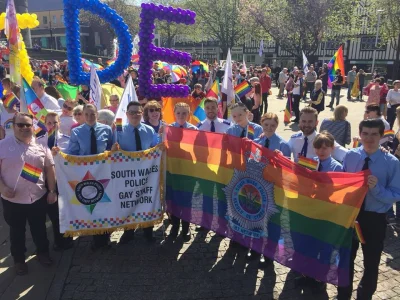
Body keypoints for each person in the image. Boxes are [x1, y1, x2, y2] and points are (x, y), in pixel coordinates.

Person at [336, 118, 400, 300]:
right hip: (350, 215)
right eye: (365, 133)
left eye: (374, 134)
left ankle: (364, 296)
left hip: (375, 219)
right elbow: (341, 182)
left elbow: (397, 194)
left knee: (371, 263)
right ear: (360, 134)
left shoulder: (392, 163)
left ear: (381, 136)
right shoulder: (351, 156)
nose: (369, 138)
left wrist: (377, 189)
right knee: (346, 260)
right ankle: (343, 294)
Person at [0, 112, 56, 275]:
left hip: (37, 197)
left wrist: (52, 191)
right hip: (13, 199)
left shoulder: (41, 146)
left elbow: (50, 170)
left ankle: (42, 253)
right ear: (13, 126)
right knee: (16, 231)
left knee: (39, 228)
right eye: (20, 125)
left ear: (33, 127)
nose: (24, 128)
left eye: (28, 125)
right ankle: (19, 260)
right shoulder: (2, 145)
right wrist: (2, 188)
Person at [64, 104, 113, 250]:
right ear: (83, 115)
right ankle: (93, 234)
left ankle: (103, 238)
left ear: (97, 114)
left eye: (93, 114)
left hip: (103, 173)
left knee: (104, 205)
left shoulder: (107, 130)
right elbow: (72, 153)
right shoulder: (76, 132)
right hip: (85, 174)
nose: (90, 117)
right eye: (87, 114)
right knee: (91, 203)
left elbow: (110, 149)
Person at [112, 102, 159, 244]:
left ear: (141, 113)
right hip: (127, 176)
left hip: (147, 175)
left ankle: (148, 230)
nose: (134, 115)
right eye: (131, 112)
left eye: (137, 112)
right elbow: (113, 152)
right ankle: (129, 231)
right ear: (126, 114)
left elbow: (155, 150)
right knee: (129, 201)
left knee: (147, 200)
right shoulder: (119, 131)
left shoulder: (149, 130)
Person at [36, 112, 73, 250]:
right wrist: (48, 157)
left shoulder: (67, 140)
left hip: (64, 181)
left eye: (55, 122)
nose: (52, 125)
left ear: (59, 123)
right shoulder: (38, 141)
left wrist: (62, 156)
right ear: (45, 124)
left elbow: (73, 159)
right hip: (47, 181)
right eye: (49, 123)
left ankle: (67, 239)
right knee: (53, 213)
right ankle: (58, 241)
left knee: (65, 211)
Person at [169, 102, 198, 241]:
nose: (181, 116)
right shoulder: (168, 129)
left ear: (189, 114)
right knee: (174, 199)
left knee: (187, 200)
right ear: (174, 113)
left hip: (188, 171)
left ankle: (186, 228)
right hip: (173, 170)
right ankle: (175, 227)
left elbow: (198, 151)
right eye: (178, 113)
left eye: (184, 113)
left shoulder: (194, 130)